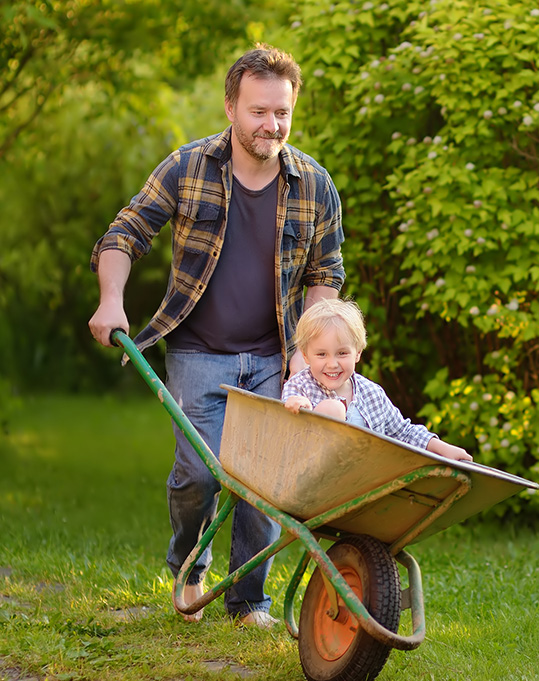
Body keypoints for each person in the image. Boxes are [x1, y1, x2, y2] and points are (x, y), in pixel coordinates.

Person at [87, 44, 345, 628]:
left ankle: (247, 600)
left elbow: (325, 274)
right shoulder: (188, 167)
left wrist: (308, 359)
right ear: (230, 107)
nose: (271, 124)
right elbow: (125, 233)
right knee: (199, 475)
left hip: (275, 356)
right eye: (258, 111)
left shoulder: (314, 185)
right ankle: (190, 566)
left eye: (282, 111)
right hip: (199, 350)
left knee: (264, 484)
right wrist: (111, 301)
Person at [283, 299, 473, 462]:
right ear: (306, 356)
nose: (332, 364)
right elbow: (282, 422)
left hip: (364, 477)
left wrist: (444, 449)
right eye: (321, 354)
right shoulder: (300, 386)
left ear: (357, 353)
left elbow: (403, 432)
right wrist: (295, 405)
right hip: (314, 475)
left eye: (342, 353)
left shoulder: (371, 393)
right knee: (333, 409)